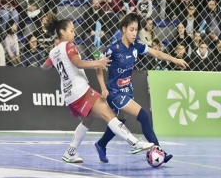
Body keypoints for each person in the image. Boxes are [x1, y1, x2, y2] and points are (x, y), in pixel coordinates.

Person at [41, 12, 154, 163]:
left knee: (87, 121)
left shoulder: (53, 52)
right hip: (80, 91)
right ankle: (134, 143)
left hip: (68, 96)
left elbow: (44, 67)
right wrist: (98, 63)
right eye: (71, 30)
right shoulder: (69, 46)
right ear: (62, 32)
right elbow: (79, 64)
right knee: (109, 114)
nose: (74, 33)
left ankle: (70, 152)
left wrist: (58, 59)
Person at [93, 13, 188, 163]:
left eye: (136, 29)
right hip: (115, 93)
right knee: (143, 115)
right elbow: (98, 67)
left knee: (120, 122)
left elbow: (155, 52)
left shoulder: (136, 45)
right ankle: (159, 152)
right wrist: (103, 88)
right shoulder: (113, 49)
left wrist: (174, 59)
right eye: (131, 29)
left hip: (128, 90)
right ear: (123, 29)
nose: (134, 33)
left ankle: (101, 144)